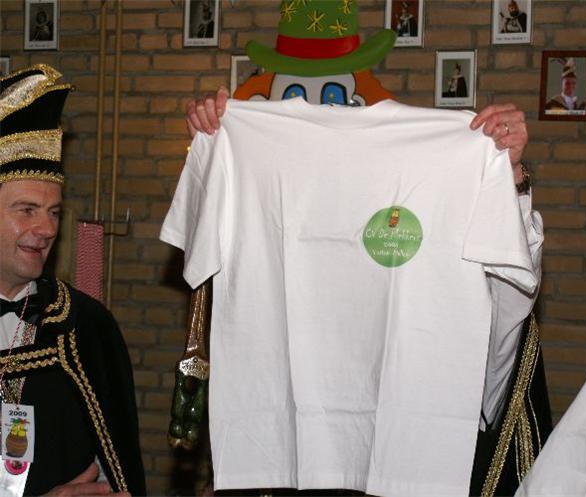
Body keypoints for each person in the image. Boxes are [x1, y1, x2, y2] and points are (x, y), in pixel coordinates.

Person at [179, 1, 546, 494]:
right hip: (283, 461)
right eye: (293, 94)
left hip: (405, 452)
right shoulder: (245, 150)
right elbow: (199, 258)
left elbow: (512, 294)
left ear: (359, 87)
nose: (315, 105)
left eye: (331, 88)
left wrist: (508, 174)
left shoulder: (443, 155)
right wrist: (212, 149)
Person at [0, 65, 145, 495]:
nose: (47, 229)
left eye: (54, 212)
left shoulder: (87, 327)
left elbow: (118, 470)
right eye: (27, 210)